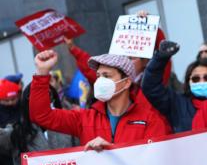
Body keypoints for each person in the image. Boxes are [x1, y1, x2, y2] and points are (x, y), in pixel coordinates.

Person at [30, 52, 171, 149]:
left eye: (106, 76)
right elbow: (42, 116)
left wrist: (112, 152)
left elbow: (155, 163)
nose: (100, 81)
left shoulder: (151, 120)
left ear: (127, 82)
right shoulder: (85, 118)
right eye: (98, 76)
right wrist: (42, 73)